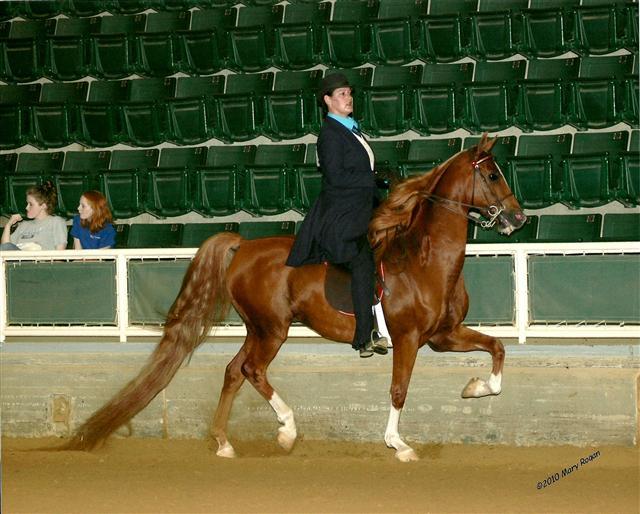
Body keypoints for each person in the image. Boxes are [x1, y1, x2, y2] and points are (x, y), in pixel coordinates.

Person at [286, 72, 388, 358]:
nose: (348, 97)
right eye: (341, 94)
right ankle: (365, 335)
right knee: (362, 259)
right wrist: (372, 179)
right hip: (341, 217)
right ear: (327, 101)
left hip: (360, 208)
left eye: (349, 92)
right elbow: (336, 176)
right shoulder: (330, 134)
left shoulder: (352, 128)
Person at [1, 181, 67, 251]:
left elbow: (60, 252)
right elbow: (5, 248)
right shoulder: (24, 225)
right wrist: (8, 225)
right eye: (27, 204)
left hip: (42, 260)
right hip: (20, 259)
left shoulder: (56, 222)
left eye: (31, 204)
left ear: (43, 206)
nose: (26, 208)